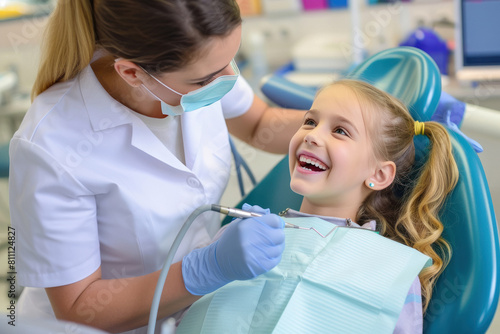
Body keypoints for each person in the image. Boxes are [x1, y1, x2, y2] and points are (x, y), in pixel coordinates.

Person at [9, 1, 304, 333]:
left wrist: (335, 128)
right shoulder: (51, 143)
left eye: (230, 61)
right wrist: (205, 269)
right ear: (132, 73)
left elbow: (260, 123)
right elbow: (80, 308)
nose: (229, 80)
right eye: (206, 78)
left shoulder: (201, 63)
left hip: (190, 315)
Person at [175, 79, 459, 333]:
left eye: (340, 131)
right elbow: (179, 318)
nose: (311, 135)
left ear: (379, 175)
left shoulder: (391, 270)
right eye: (310, 121)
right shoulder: (242, 236)